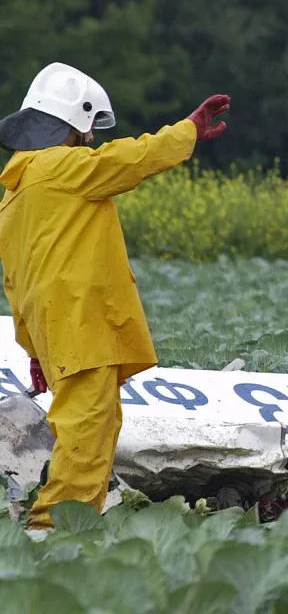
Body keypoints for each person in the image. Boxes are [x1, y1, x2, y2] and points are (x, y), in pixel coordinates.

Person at [0, 62, 230, 530]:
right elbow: (129, 159)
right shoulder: (62, 167)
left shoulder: (16, 189)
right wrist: (185, 132)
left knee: (86, 429)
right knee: (86, 434)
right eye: (87, 131)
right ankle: (55, 534)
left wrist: (35, 350)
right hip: (83, 328)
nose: (90, 141)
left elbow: (16, 281)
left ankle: (63, 527)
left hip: (55, 331)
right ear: (74, 124)